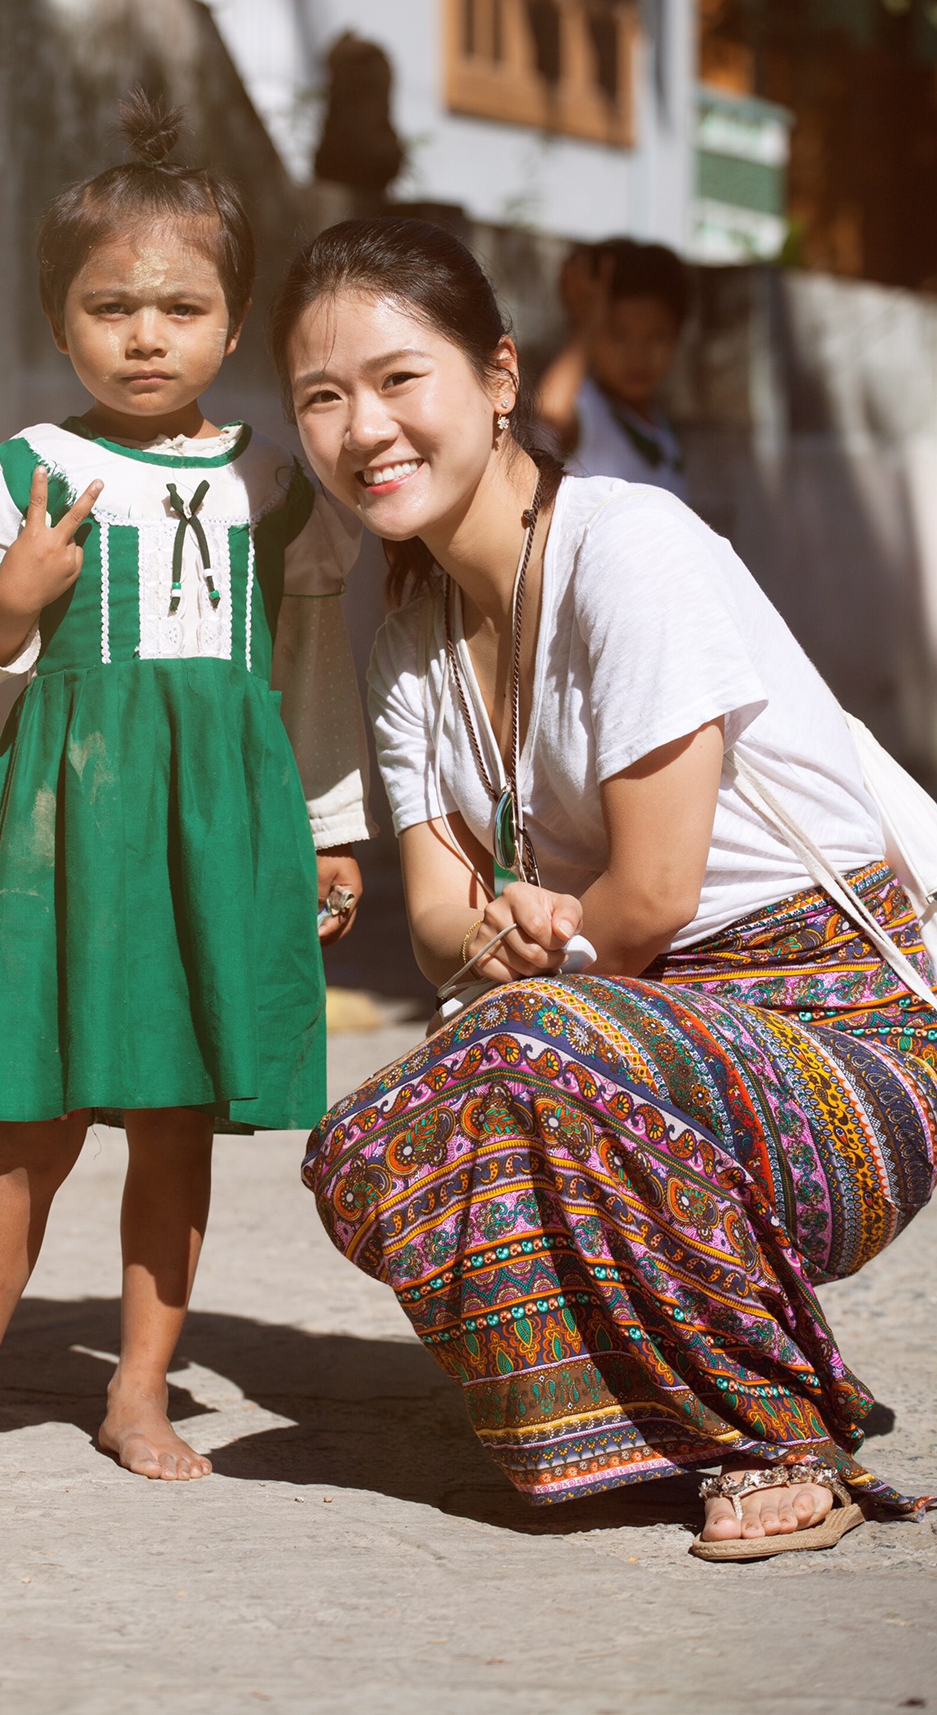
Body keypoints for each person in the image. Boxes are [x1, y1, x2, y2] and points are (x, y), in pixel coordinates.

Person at [270, 216, 937, 1558]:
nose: (364, 430)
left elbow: (650, 896)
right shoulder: (410, 637)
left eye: (403, 379)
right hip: (640, 1032)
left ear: (501, 378)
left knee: (520, 1042)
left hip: (859, 1040)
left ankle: (773, 1436)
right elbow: (445, 924)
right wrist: (521, 940)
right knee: (358, 1149)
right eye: (321, 398)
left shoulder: (627, 548)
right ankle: (637, 1423)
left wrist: (535, 944)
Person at [0, 95, 371, 1481]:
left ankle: (138, 1394)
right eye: (111, 307)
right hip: (73, 834)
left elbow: (313, 675)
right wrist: (12, 608)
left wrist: (331, 835)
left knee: (174, 1123)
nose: (146, 335)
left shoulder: (275, 487)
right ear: (59, 323)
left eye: (180, 306)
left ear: (234, 326)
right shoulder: (25, 482)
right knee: (34, 1122)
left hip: (220, 829)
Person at [536, 237, 688, 491]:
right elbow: (549, 412)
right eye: (618, 336)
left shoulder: (661, 429)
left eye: (656, 337)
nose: (637, 356)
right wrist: (587, 325)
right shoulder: (587, 410)